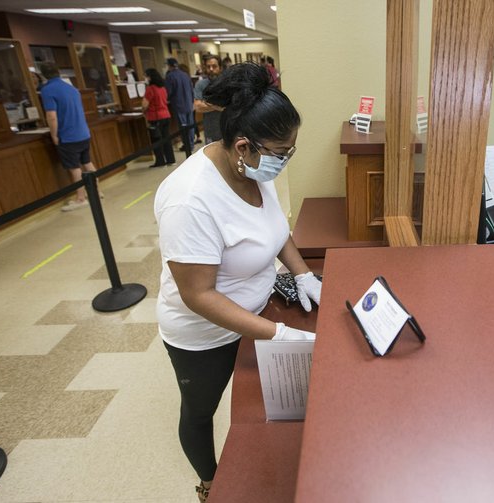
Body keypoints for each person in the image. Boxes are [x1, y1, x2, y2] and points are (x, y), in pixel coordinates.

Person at [154, 62, 319, 502]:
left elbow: (275, 230)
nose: (285, 161)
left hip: (255, 310)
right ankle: (210, 484)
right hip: (204, 332)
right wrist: (278, 334)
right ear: (243, 146)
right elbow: (198, 295)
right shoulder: (190, 200)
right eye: (282, 152)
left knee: (255, 410)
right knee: (200, 410)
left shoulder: (250, 168)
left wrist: (302, 273)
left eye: (291, 151)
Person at [39, 62, 100, 212]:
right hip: (83, 132)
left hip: (68, 135)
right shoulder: (72, 88)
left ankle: (80, 198)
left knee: (74, 168)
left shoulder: (47, 90)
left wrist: (54, 135)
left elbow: (52, 116)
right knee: (87, 162)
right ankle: (97, 191)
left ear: (43, 74)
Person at [142, 68, 175, 168]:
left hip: (155, 117)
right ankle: (170, 159)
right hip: (166, 115)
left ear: (150, 77)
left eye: (146, 76)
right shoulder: (162, 88)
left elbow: (144, 105)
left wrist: (143, 111)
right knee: (166, 139)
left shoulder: (150, 89)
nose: (145, 78)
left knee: (156, 140)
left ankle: (160, 161)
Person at [164, 58, 195, 154]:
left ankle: (187, 145)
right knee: (190, 125)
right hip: (189, 103)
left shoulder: (170, 76)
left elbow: (168, 92)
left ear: (169, 66)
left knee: (183, 126)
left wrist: (167, 99)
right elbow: (191, 89)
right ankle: (191, 143)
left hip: (178, 104)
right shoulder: (185, 75)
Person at [193, 54, 223, 144]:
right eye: (208, 66)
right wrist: (218, 106)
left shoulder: (229, 83)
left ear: (220, 68)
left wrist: (208, 103)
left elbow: (233, 105)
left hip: (230, 131)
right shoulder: (200, 84)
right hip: (211, 132)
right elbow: (198, 107)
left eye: (214, 66)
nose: (211, 69)